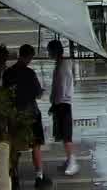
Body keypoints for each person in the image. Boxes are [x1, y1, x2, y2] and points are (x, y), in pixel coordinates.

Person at [1, 43, 49, 187]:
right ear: (29, 57)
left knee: (15, 146)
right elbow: (38, 94)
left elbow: (5, 94)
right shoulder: (30, 73)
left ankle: (14, 176)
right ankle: (39, 177)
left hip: (14, 114)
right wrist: (41, 91)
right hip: (31, 114)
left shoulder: (8, 73)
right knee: (36, 145)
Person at [46, 39, 79, 175]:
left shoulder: (61, 67)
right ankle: (69, 159)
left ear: (54, 51)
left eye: (49, 51)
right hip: (63, 102)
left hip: (62, 103)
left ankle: (72, 162)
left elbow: (60, 88)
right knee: (62, 134)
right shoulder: (62, 63)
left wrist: (54, 104)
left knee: (66, 135)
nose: (48, 54)